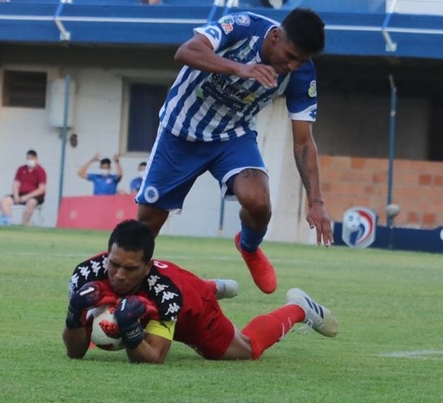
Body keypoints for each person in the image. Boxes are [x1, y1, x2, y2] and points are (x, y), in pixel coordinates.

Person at [135, 8, 333, 295]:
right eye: (290, 56)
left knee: (258, 201)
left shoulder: (301, 72)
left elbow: (303, 141)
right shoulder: (242, 26)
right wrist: (240, 68)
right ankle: (113, 296)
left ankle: (249, 246)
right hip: (180, 132)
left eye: (301, 60)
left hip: (232, 136)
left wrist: (316, 201)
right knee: (145, 226)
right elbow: (187, 51)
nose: (292, 66)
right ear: (276, 36)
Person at [63, 219, 338, 363]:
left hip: (191, 311)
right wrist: (74, 313)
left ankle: (300, 308)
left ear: (147, 267)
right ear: (107, 255)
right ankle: (213, 285)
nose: (119, 275)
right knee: (175, 286)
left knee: (248, 350)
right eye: (114, 264)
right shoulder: (86, 275)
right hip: (168, 289)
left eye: (131, 269)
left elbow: (154, 359)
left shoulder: (166, 294)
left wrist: (131, 331)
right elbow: (75, 353)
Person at [0, 149, 47, 226]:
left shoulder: (40, 171)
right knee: (4, 201)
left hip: (34, 196)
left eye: (32, 158)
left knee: (31, 203)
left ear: (36, 159)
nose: (29, 160)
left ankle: (24, 224)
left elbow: (41, 189)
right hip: (20, 194)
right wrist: (16, 195)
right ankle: (8, 222)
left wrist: (27, 197)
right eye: (28, 158)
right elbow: (15, 184)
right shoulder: (21, 169)